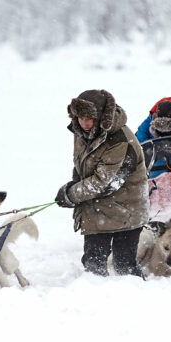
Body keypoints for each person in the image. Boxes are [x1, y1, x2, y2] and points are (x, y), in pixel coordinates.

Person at [54, 89, 149, 277]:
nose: (85, 123)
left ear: (102, 117)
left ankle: (136, 302)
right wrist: (74, 184)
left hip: (127, 210)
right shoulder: (81, 131)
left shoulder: (120, 139)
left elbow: (104, 183)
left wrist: (71, 194)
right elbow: (82, 166)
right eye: (80, 117)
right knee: (93, 265)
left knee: (124, 267)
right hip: (96, 209)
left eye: (90, 118)